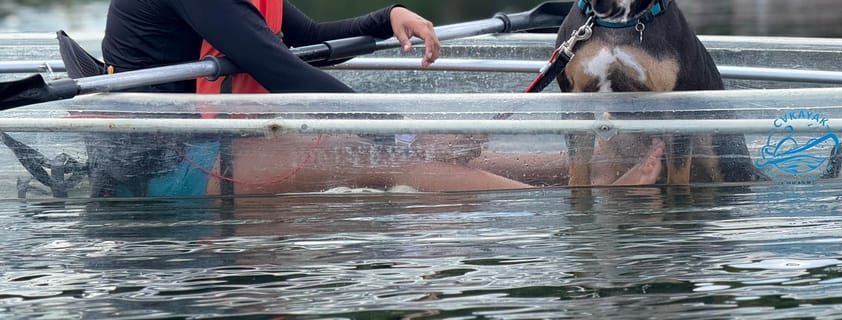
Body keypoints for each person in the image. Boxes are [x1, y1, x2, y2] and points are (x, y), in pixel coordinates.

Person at [95, 0, 533, 197]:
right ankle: (548, 223)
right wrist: (406, 136)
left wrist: (390, 16)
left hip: (214, 145)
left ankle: (595, 180)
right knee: (390, 160)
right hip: (160, 167)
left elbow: (308, 39)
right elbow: (280, 69)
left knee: (458, 158)